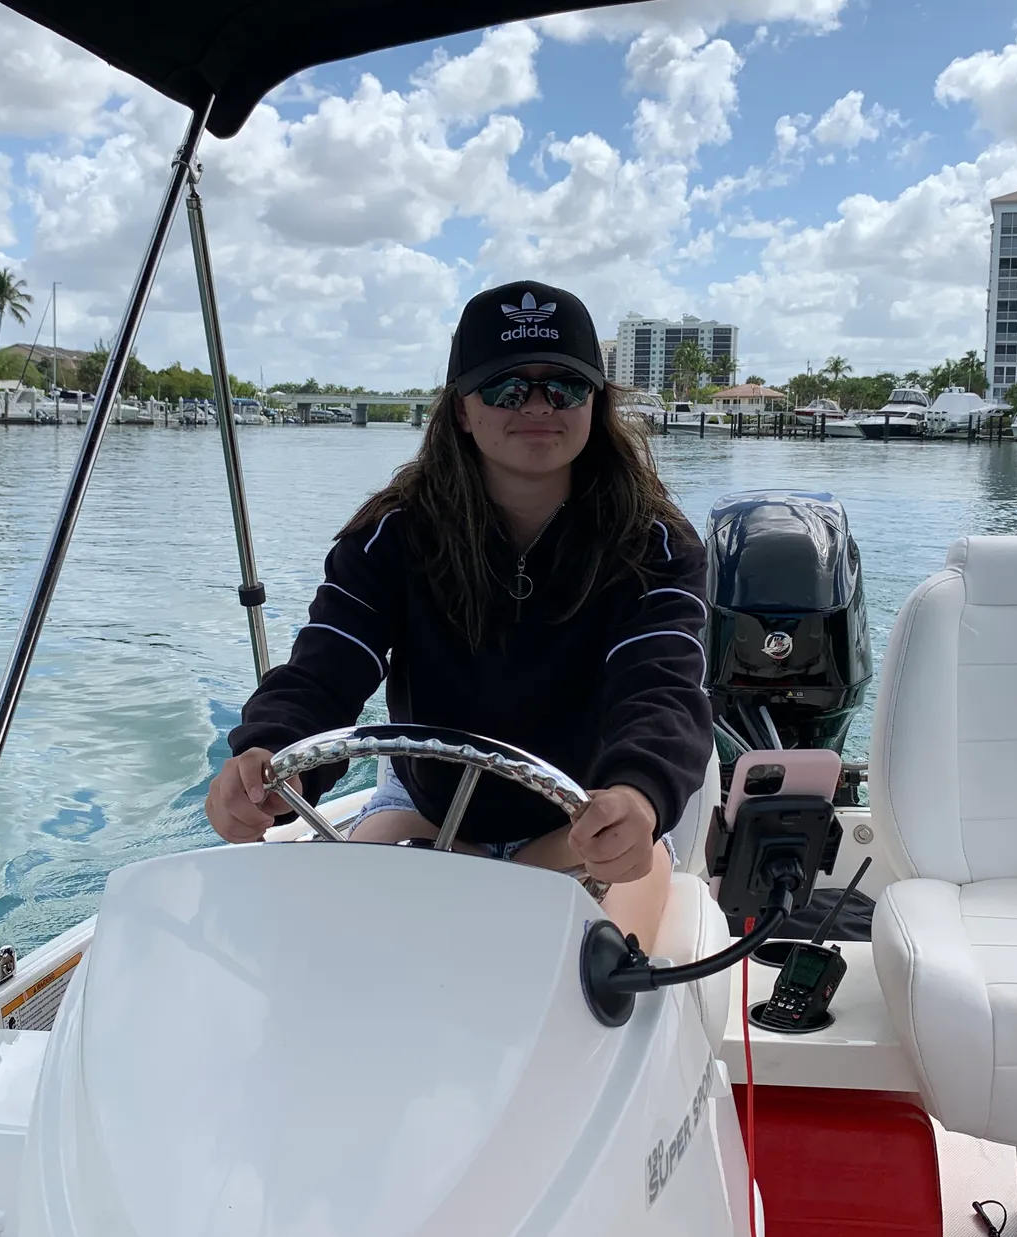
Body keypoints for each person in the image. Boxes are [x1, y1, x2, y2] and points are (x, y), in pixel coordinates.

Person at [204, 280, 712, 947]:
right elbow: (327, 667)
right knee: (343, 957)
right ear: (463, 411)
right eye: (506, 387)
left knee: (595, 980)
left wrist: (637, 796)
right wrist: (270, 755)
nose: (537, 405)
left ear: (596, 403)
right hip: (426, 810)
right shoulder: (391, 537)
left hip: (590, 820)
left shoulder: (655, 546)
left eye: (565, 386)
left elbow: (661, 687)